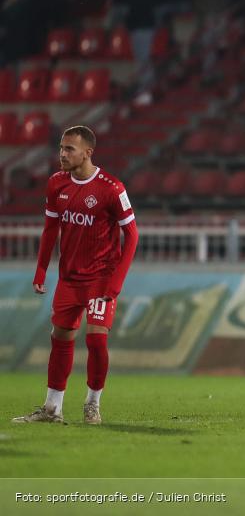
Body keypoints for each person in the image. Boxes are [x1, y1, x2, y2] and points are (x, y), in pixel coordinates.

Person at [13, 126, 139, 425]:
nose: (62, 154)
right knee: (60, 338)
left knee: (96, 341)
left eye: (69, 149)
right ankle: (52, 408)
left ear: (87, 152)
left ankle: (92, 404)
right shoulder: (56, 183)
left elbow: (131, 235)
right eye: (61, 148)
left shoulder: (112, 188)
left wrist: (116, 282)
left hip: (101, 278)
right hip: (69, 277)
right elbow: (50, 230)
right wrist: (41, 269)